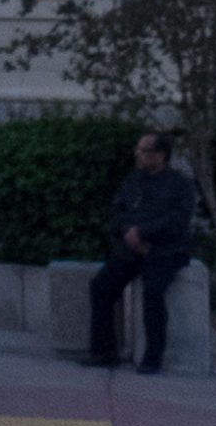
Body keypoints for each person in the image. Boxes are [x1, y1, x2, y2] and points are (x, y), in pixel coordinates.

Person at [84, 129, 197, 374]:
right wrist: (129, 233)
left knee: (153, 292)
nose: (138, 154)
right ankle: (104, 352)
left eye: (144, 150)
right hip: (132, 249)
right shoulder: (133, 181)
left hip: (166, 251)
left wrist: (144, 233)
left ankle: (152, 358)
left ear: (160, 155)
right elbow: (118, 212)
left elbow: (178, 220)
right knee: (101, 286)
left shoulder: (180, 185)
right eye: (138, 149)